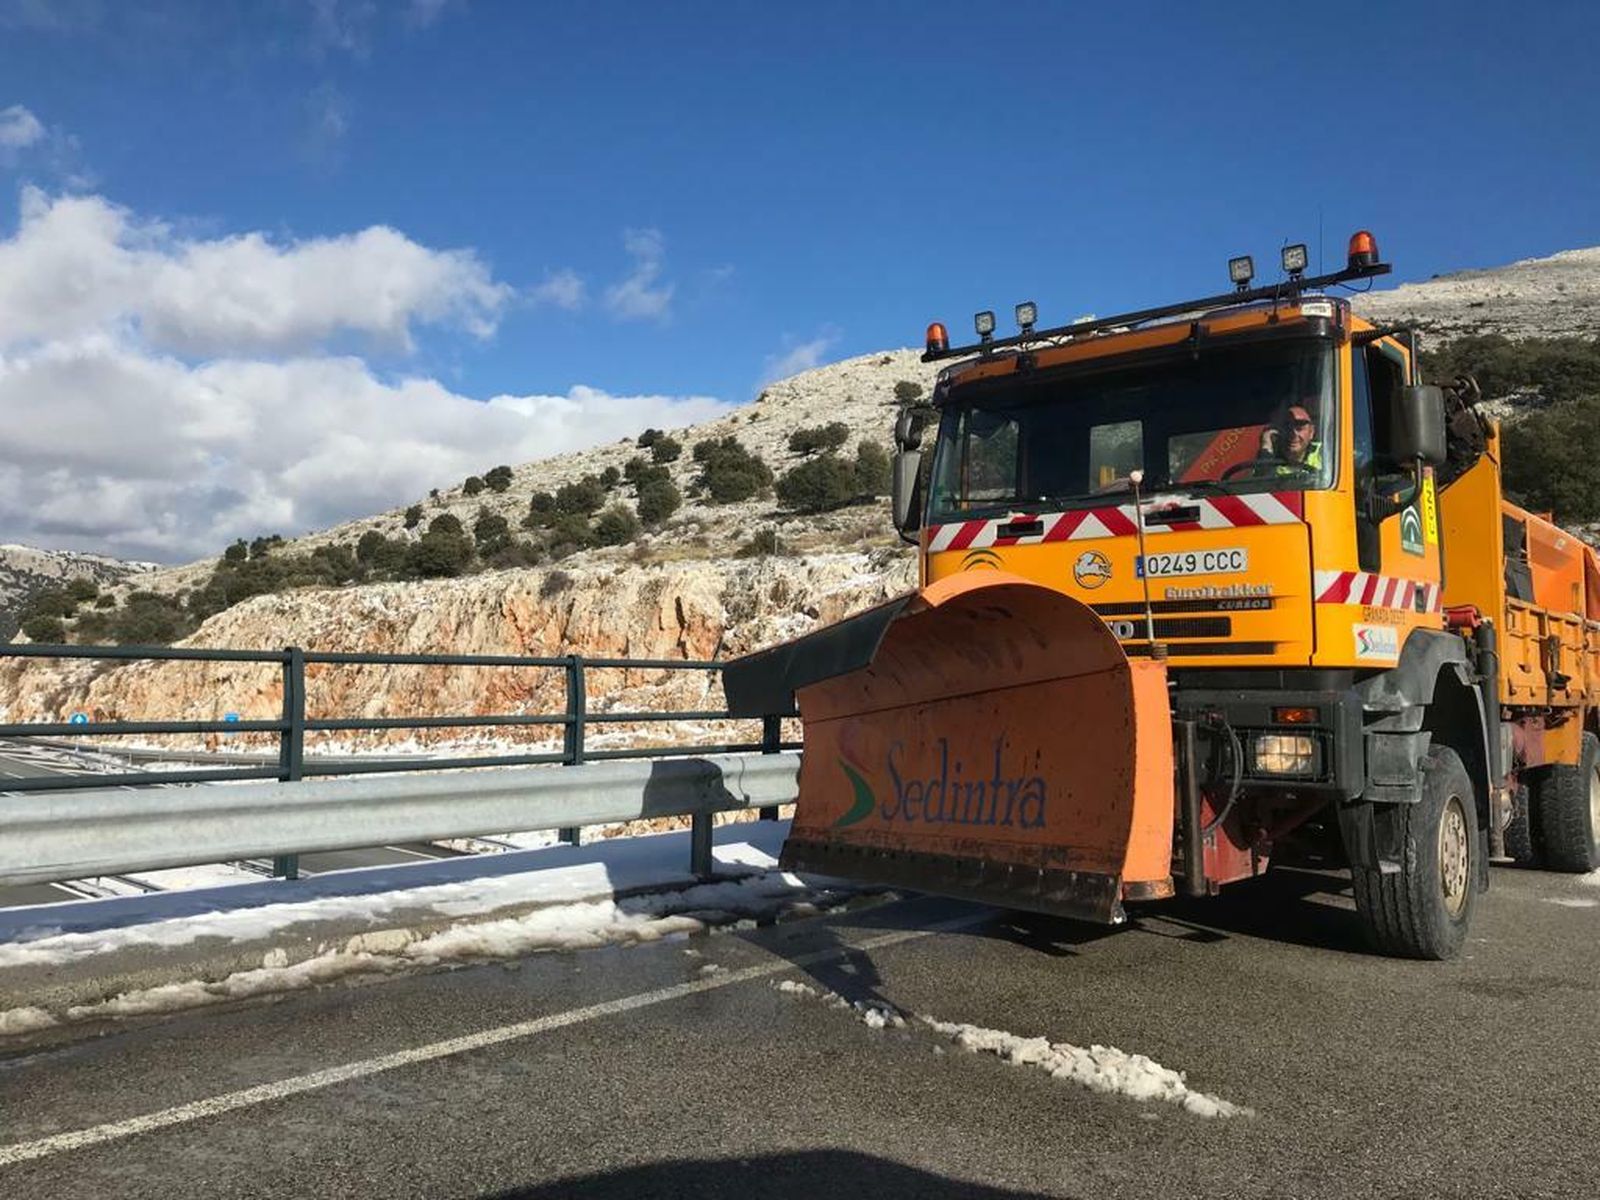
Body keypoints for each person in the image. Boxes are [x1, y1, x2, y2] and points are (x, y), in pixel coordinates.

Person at [1259, 401, 1322, 473]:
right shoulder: (1269, 459)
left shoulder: (1324, 452)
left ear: (1311, 432)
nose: (1293, 434)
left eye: (1299, 428)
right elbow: (1261, 477)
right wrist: (1266, 445)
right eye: (1287, 428)